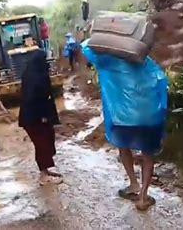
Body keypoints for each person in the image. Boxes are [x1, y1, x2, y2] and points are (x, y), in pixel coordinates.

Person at [82, 40, 168, 211]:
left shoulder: (109, 62)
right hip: (148, 117)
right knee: (148, 154)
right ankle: (143, 196)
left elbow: (86, 47)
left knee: (123, 147)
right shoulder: (147, 63)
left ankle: (133, 183)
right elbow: (162, 83)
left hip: (122, 117)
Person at [18, 50, 62, 185]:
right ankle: (43, 176)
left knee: (47, 140)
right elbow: (33, 98)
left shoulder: (34, 73)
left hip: (36, 117)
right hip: (34, 118)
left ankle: (46, 169)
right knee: (42, 143)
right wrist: (42, 116)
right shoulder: (35, 77)